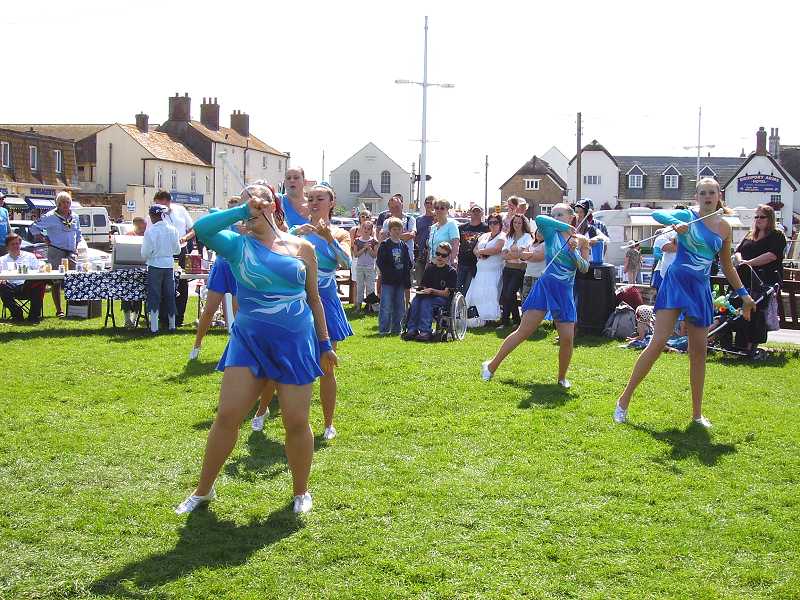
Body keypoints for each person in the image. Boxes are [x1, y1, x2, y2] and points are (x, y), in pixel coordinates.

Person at [177, 182, 336, 515]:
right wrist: (241, 209)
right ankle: (202, 491)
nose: (252, 205)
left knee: (296, 420)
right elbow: (202, 229)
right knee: (227, 416)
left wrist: (324, 343)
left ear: (273, 205)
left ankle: (301, 492)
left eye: (258, 199)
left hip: (296, 342)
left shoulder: (302, 248)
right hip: (249, 342)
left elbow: (314, 299)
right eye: (247, 199)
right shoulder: (237, 246)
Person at [613, 178, 757, 428]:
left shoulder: (724, 228)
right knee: (657, 343)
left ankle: (697, 415)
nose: (707, 196)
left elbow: (726, 265)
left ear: (719, 195)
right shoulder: (688, 215)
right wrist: (676, 223)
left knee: (699, 352)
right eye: (702, 192)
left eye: (711, 192)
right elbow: (656, 213)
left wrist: (744, 294)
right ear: (696, 197)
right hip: (676, 283)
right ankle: (623, 401)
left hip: (699, 289)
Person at [482, 203, 590, 387]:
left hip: (564, 292)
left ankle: (562, 378)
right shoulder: (551, 233)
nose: (555, 217)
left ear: (572, 216)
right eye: (554, 214)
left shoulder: (580, 241)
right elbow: (540, 219)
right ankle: (491, 366)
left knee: (567, 339)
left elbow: (584, 268)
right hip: (545, 287)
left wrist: (576, 250)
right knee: (523, 331)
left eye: (560, 214)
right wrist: (565, 227)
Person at [276, 184, 352, 441]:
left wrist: (328, 239)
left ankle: (329, 423)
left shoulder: (341, 233)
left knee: (326, 365)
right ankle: (271, 413)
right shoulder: (296, 232)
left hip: (326, 303)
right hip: (296, 302)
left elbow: (347, 262)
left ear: (332, 202)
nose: (315, 202)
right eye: (311, 198)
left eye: (321, 198)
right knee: (287, 361)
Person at [189, 198, 244, 359]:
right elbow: (200, 227)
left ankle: (237, 349)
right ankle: (196, 346)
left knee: (238, 313)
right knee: (209, 310)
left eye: (236, 208)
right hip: (221, 266)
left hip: (237, 267)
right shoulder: (221, 219)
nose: (233, 211)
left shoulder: (246, 224)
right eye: (230, 208)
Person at [732, 203, 787, 351]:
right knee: (736, 306)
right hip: (745, 280)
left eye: (762, 217)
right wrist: (740, 260)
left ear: (770, 218)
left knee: (756, 309)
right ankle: (738, 344)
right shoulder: (750, 235)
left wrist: (749, 263)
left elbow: (771, 256)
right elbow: (738, 251)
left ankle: (750, 346)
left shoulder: (777, 236)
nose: (758, 219)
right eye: (756, 216)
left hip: (765, 280)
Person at [29, 191, 81, 317]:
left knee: (74, 280)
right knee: (56, 281)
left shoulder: (75, 216)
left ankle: (74, 309)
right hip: (56, 250)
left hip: (71, 252)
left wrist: (77, 246)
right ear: (58, 204)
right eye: (63, 202)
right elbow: (33, 227)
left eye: (68, 202)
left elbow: (78, 233)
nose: (66, 205)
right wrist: (43, 238)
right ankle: (59, 310)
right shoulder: (50, 216)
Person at [402, 242, 457, 341]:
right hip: (428, 296)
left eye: (443, 255)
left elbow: (446, 293)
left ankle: (425, 331)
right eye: (438, 254)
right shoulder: (430, 269)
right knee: (416, 300)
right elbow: (424, 285)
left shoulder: (451, 272)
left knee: (426, 302)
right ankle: (412, 329)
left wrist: (432, 291)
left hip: (443, 299)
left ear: (448, 257)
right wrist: (421, 290)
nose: (440, 257)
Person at [156, 190, 194, 327]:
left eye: (162, 205)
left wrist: (185, 238)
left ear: (169, 201)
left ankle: (179, 317)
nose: (160, 208)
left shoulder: (181, 210)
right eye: (158, 204)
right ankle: (163, 317)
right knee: (162, 283)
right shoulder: (154, 213)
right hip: (163, 251)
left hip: (181, 249)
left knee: (182, 283)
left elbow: (192, 229)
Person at [141, 205, 180, 333]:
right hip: (168, 265)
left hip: (155, 265)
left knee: (154, 294)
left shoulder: (151, 231)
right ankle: (172, 325)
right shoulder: (172, 229)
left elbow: (145, 252)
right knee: (170, 294)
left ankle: (154, 327)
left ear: (152, 216)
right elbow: (177, 250)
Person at [465, 214, 505, 326]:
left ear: (500, 224)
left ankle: (490, 317)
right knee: (477, 293)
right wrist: (479, 252)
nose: (492, 225)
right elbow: (475, 249)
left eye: (495, 222)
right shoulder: (484, 236)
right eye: (490, 222)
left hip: (493, 270)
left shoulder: (502, 236)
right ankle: (475, 315)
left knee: (491, 293)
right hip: (481, 270)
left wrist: (482, 252)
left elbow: (496, 249)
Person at [376, 217, 412, 335]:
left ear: (402, 230)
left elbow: (408, 263)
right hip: (388, 281)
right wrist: (389, 273)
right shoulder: (385, 245)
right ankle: (384, 329)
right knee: (386, 306)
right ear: (389, 231)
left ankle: (397, 329)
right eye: (394, 229)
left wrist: (406, 278)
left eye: (399, 229)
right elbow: (380, 262)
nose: (396, 231)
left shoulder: (403, 246)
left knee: (399, 306)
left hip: (400, 281)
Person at [497, 214, 533, 328]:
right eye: (515, 222)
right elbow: (503, 255)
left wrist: (513, 254)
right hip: (508, 269)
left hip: (519, 270)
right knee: (506, 295)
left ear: (523, 224)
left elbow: (522, 255)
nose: (517, 225)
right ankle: (506, 321)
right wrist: (514, 254)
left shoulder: (527, 237)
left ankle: (517, 320)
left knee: (510, 293)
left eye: (519, 223)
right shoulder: (509, 236)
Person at [0, 233, 44, 323]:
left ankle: (34, 316)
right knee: (1, 286)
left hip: (26, 285)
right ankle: (17, 313)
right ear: (7, 246)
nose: (16, 246)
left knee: (40, 283)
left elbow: (39, 268)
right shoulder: (2, 260)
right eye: (13, 244)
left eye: (17, 243)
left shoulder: (30, 256)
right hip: (9, 286)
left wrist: (42, 267)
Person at [121, 216, 148, 328]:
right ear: (136, 225)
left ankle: (134, 320)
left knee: (139, 296)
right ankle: (127, 320)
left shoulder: (147, 236)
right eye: (143, 225)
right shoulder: (129, 236)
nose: (145, 228)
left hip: (142, 270)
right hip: (128, 271)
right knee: (126, 295)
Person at [457, 206, 489, 294]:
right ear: (469, 213)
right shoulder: (461, 228)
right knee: (457, 288)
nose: (476, 213)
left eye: (478, 211)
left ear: (482, 213)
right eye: (474, 211)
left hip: (476, 264)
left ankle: (466, 307)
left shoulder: (486, 228)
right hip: (462, 262)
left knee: (469, 290)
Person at [352, 219, 378, 313]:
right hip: (360, 267)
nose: (366, 230)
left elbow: (375, 255)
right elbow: (356, 254)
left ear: (371, 230)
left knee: (370, 287)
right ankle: (358, 306)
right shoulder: (357, 241)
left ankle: (371, 307)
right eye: (364, 228)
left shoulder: (374, 241)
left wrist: (369, 248)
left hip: (370, 267)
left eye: (368, 229)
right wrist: (364, 248)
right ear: (361, 229)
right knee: (360, 287)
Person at [427, 199, 460, 266]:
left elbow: (455, 245)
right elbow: (430, 248)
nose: (439, 210)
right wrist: (428, 263)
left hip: (445, 264)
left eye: (442, 208)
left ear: (447, 210)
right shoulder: (433, 227)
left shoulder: (451, 224)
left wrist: (452, 261)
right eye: (436, 208)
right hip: (433, 263)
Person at [414, 196, 435, 284]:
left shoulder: (437, 219)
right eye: (427, 203)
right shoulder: (419, 219)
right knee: (420, 282)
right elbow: (415, 236)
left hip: (434, 256)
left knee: (432, 282)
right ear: (424, 204)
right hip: (421, 254)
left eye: (431, 203)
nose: (429, 205)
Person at [520, 229, 546, 303]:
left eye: (542, 232)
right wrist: (533, 254)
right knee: (525, 299)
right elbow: (522, 256)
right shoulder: (530, 243)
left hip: (539, 276)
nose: (539, 234)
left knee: (536, 300)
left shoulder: (546, 244)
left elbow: (539, 258)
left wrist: (528, 255)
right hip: (528, 275)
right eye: (538, 231)